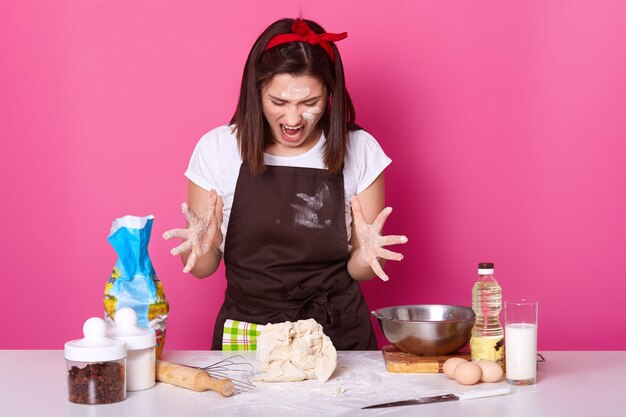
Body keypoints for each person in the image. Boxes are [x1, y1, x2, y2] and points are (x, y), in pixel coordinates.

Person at [163, 17, 408, 350]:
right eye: (278, 102)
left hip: (334, 332)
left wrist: (366, 255)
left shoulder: (361, 150)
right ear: (257, 91)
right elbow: (202, 269)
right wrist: (202, 244)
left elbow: (360, 270)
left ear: (330, 95)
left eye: (310, 103)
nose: (293, 119)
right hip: (250, 331)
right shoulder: (218, 148)